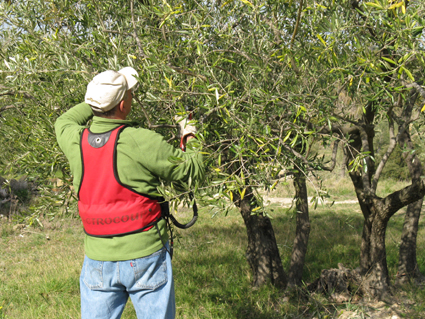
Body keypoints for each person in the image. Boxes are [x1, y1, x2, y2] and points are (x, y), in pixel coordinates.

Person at [54, 67, 204, 319]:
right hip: (146, 256)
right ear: (123, 104)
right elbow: (192, 170)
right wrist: (189, 131)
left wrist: (98, 98)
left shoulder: (73, 139)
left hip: (97, 261)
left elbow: (64, 120)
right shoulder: (139, 140)